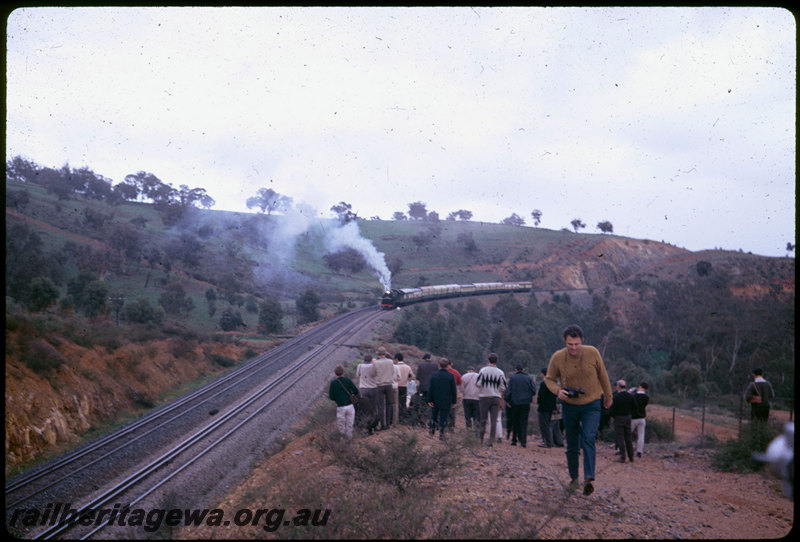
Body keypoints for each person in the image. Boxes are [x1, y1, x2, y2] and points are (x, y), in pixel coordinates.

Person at [545, 324, 613, 496]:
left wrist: (608, 396)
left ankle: (589, 478)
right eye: (570, 344)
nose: (573, 348)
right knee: (572, 443)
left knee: (589, 437)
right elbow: (549, 379)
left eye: (576, 344)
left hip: (592, 404)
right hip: (570, 405)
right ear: (564, 341)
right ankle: (574, 478)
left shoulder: (592, 353)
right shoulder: (558, 357)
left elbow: (603, 375)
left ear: (582, 340)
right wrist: (558, 391)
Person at [477, 353, 507, 446]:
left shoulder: (483, 370)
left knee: (483, 419)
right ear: (497, 361)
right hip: (495, 398)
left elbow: (478, 383)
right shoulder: (500, 372)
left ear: (488, 360)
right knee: (494, 420)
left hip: (484, 397)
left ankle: (481, 439)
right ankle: (491, 440)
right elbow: (503, 387)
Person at [427, 357, 457, 440]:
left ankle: (431, 432)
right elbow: (453, 390)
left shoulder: (434, 375)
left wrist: (429, 399)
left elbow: (430, 388)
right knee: (444, 418)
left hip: (435, 399)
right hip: (446, 400)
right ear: (447, 365)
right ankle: (442, 434)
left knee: (433, 416)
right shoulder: (451, 376)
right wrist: (454, 401)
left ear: (439, 365)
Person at [506, 364, 536, 447]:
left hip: (515, 402)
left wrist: (507, 400)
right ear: (523, 369)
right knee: (524, 421)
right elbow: (534, 390)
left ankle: (514, 440)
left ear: (516, 370)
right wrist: (528, 396)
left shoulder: (512, 378)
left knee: (515, 421)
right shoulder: (528, 378)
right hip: (525, 403)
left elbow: (509, 391)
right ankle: (523, 441)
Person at [328, 365, 360, 438]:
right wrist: (351, 395)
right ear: (343, 372)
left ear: (335, 373)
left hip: (340, 406)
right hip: (350, 405)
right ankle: (349, 439)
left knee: (341, 425)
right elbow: (356, 391)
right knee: (350, 424)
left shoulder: (333, 383)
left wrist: (338, 399)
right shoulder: (348, 380)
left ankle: (342, 440)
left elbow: (331, 397)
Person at [609, 379, 635, 463]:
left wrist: (612, 416)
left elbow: (612, 409)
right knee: (628, 437)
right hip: (628, 417)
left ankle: (623, 456)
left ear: (618, 386)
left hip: (618, 418)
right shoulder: (630, 396)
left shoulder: (616, 397)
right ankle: (631, 456)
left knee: (620, 437)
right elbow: (635, 407)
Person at [372, 347, 396, 430]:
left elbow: (372, 373)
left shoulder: (376, 363)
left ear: (378, 354)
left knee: (380, 405)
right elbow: (392, 372)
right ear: (385, 353)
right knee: (389, 404)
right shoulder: (390, 362)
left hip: (380, 385)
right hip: (389, 385)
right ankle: (388, 423)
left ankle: (383, 424)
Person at [537, 367, 558, 448]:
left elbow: (541, 395)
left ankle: (547, 442)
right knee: (548, 424)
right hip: (551, 407)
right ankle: (549, 441)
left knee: (544, 425)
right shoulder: (553, 383)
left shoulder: (543, 383)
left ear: (543, 374)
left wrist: (538, 402)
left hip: (544, 407)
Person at [394, 352, 414, 423]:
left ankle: (396, 418)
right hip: (404, 386)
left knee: (396, 403)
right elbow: (411, 376)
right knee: (403, 403)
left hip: (396, 386)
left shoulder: (395, 367)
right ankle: (403, 419)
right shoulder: (407, 367)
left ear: (396, 359)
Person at [630, 381, 649, 458]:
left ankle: (622, 449)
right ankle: (639, 452)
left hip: (633, 418)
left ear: (640, 387)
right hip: (642, 418)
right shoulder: (646, 397)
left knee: (627, 433)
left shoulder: (634, 396)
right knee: (641, 436)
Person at [446, 360, 462, 428]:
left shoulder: (440, 372)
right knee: (452, 410)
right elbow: (459, 382)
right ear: (451, 364)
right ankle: (451, 426)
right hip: (452, 393)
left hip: (442, 393)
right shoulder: (455, 372)